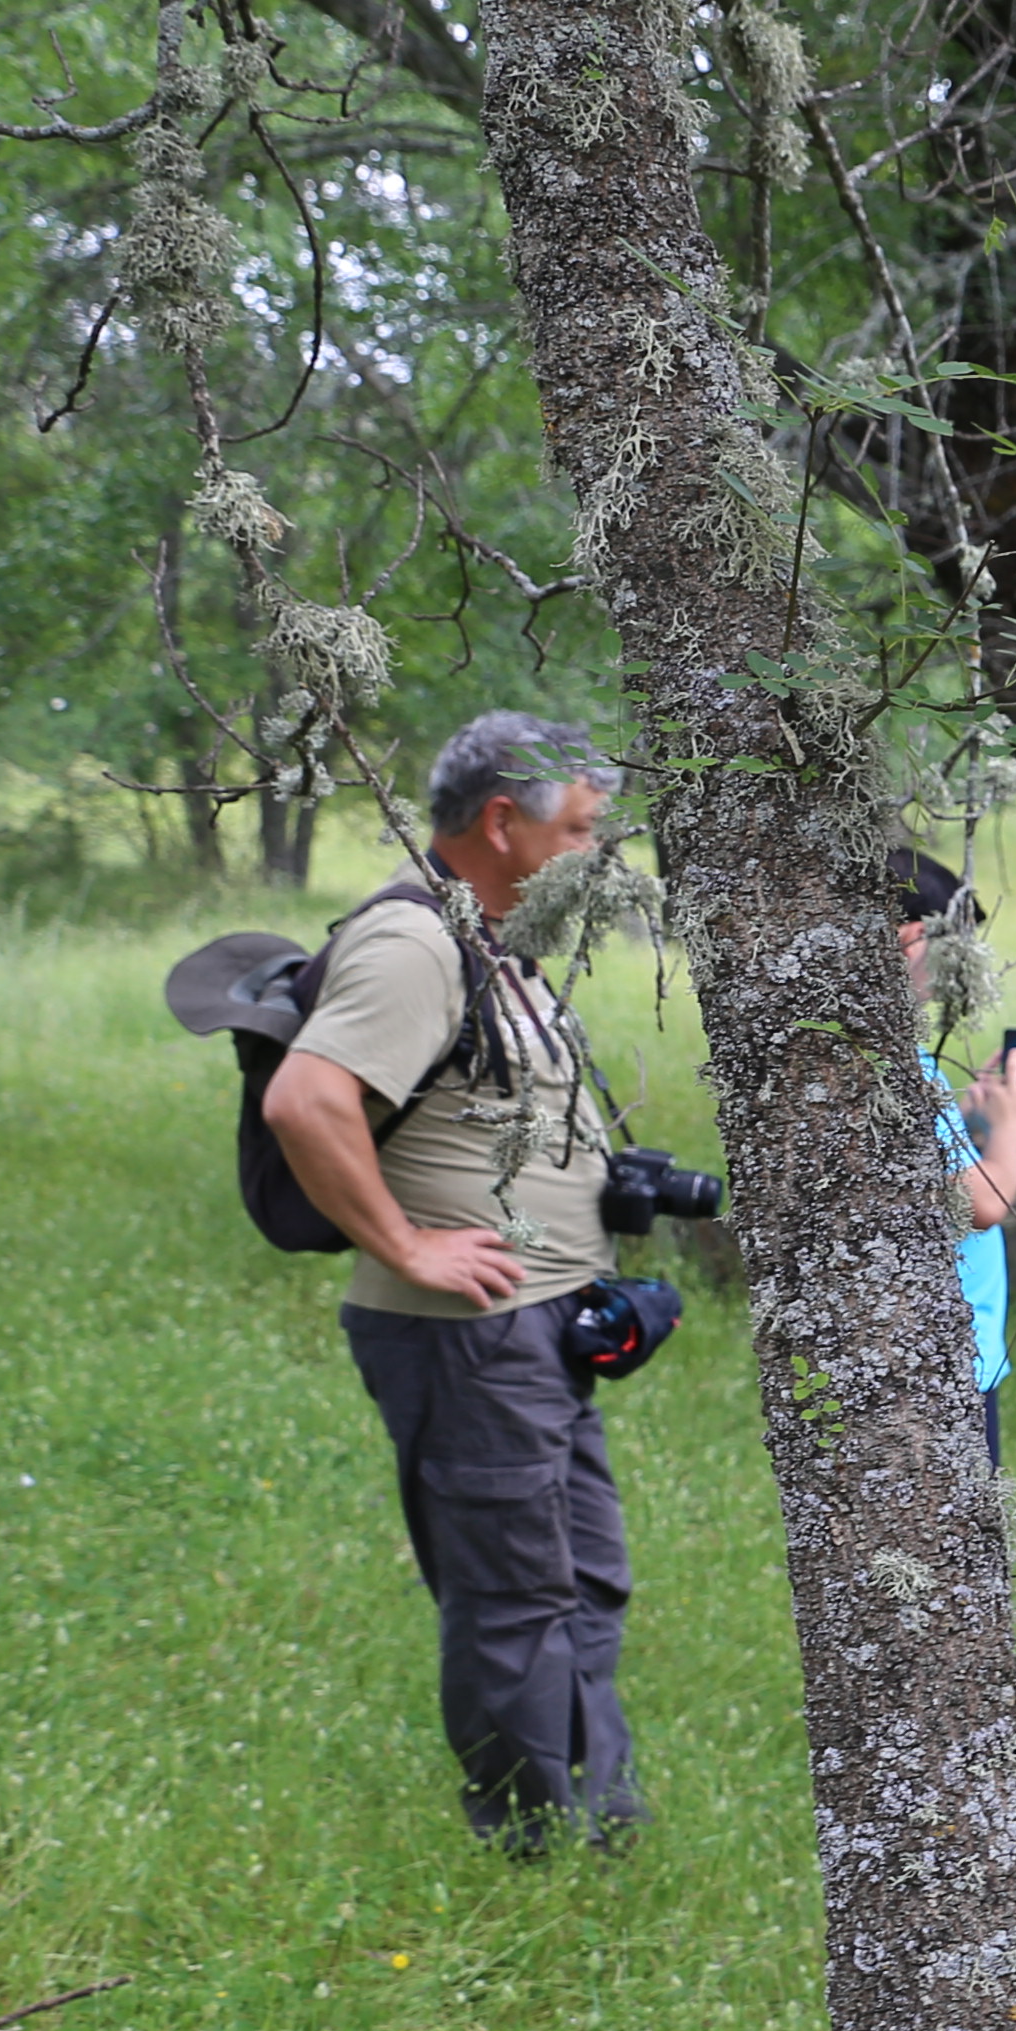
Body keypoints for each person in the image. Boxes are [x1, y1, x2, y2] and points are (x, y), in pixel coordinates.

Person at [262, 711, 643, 1852]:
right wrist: (408, 1245)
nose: (595, 854)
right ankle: (529, 1840)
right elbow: (306, 1101)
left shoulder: (494, 942)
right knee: (514, 1593)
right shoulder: (414, 943)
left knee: (585, 1576)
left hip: (540, 1326)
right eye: (580, 830)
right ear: (503, 823)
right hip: (466, 1334)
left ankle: (599, 1818)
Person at [894, 854, 1016, 1462]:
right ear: (911, 939)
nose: (961, 967)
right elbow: (978, 1205)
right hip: (951, 1357)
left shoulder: (885, 1060)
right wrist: (1012, 1133)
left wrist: (967, 1120)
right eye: (955, 947)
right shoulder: (908, 1069)